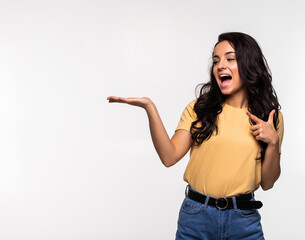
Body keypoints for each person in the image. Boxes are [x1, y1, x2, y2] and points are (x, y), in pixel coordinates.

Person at [107, 32, 284, 240]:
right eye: (216, 60)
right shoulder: (199, 109)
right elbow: (169, 156)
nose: (220, 65)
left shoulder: (270, 118)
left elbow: (268, 182)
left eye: (230, 58)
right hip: (196, 217)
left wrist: (273, 142)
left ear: (248, 64)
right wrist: (150, 108)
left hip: (243, 220)